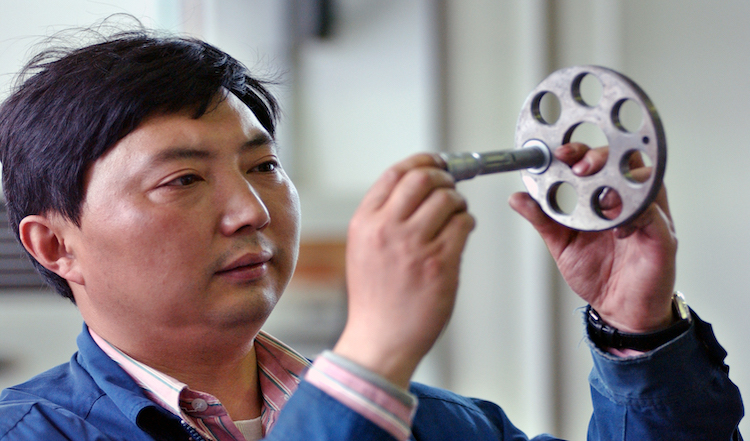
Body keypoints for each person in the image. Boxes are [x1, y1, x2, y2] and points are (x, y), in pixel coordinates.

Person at [0, 28, 743, 441]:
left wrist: (635, 327)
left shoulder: (443, 427)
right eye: (184, 179)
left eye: (264, 166)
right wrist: (370, 357)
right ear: (55, 245)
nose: (251, 210)